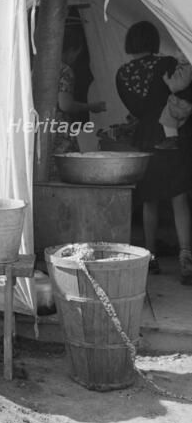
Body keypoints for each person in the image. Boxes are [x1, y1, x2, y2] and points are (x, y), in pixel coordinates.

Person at [116, 21, 192, 284]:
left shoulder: (121, 74)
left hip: (145, 139)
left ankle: (150, 257)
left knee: (149, 200)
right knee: (179, 197)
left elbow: (136, 109)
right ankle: (186, 258)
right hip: (171, 137)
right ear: (153, 41)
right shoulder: (168, 64)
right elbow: (183, 96)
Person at [51, 28, 106, 176]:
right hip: (59, 131)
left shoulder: (37, 67)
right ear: (73, 50)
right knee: (65, 172)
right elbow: (65, 104)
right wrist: (90, 107)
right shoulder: (64, 70)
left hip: (36, 129)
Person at [156, 48, 192, 150]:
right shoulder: (184, 66)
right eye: (180, 51)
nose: (183, 55)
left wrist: (167, 81)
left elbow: (177, 86)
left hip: (182, 101)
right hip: (183, 101)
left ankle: (172, 139)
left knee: (167, 116)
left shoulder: (187, 68)